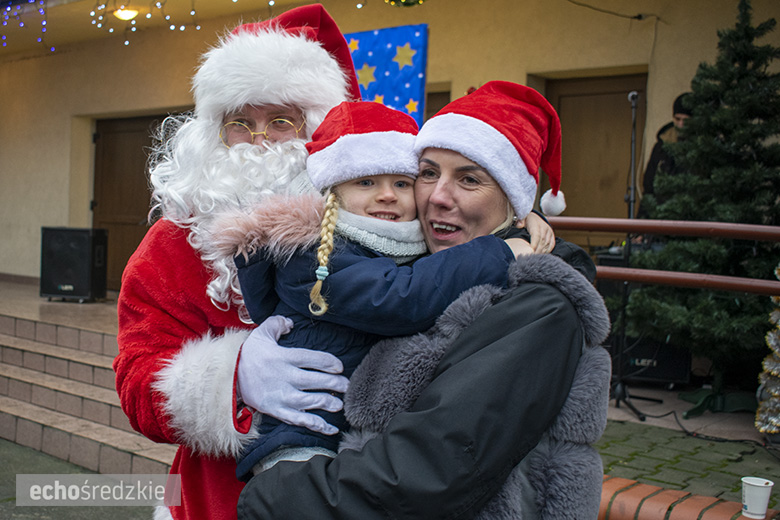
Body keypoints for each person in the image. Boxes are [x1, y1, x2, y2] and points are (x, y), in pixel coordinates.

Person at [112, 5, 556, 520]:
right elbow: (136, 381)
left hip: (372, 485)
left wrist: (526, 224)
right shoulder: (173, 243)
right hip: (222, 497)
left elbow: (463, 224)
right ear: (216, 133)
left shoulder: (393, 220)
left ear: (321, 131)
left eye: (281, 120)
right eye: (240, 123)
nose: (259, 141)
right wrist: (231, 377)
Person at [237, 81, 612, 519]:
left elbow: (426, 472)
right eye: (428, 173)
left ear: (513, 200)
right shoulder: (407, 257)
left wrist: (271, 497)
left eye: (469, 179)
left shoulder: (537, 305)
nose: (436, 195)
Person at [212, 101, 535, 480]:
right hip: (302, 441)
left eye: (401, 183)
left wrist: (519, 219)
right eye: (366, 182)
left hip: (352, 435)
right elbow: (402, 299)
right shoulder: (313, 257)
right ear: (333, 193)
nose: (386, 195)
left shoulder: (390, 245)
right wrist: (499, 250)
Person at [638, 92, 693, 218]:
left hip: (688, 219)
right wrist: (639, 228)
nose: (681, 125)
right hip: (659, 216)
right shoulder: (661, 147)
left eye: (686, 120)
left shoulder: (702, 148)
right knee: (628, 239)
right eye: (677, 119)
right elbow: (649, 190)